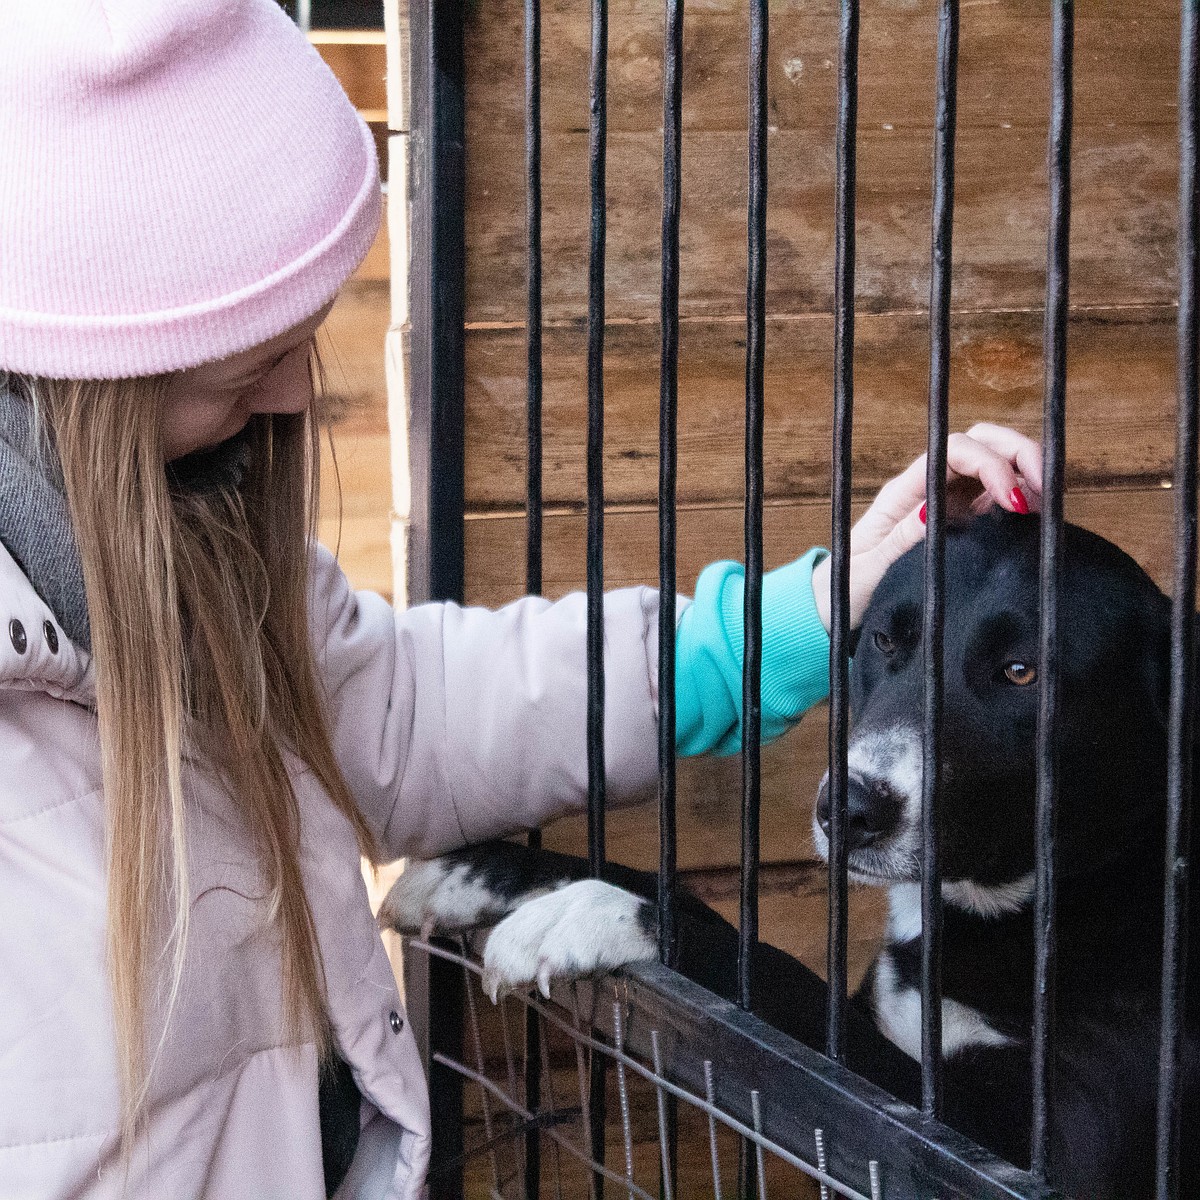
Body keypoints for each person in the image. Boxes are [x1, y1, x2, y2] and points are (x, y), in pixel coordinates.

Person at [0, 1, 1043, 1196]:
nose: (296, 393)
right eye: (246, 362)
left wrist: (820, 609)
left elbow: (396, 709)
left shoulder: (195, 539)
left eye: (305, 334)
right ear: (85, 378)